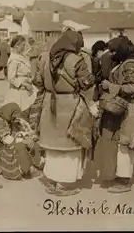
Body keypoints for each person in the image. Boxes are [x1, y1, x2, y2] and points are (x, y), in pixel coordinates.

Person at [34, 29, 96, 196]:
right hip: (70, 105)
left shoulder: (44, 57)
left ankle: (52, 181)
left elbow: (37, 81)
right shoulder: (76, 60)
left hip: (49, 104)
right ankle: (63, 185)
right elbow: (86, 84)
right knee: (69, 145)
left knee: (53, 145)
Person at [95, 36, 134, 193]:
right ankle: (120, 176)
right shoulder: (125, 62)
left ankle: (124, 180)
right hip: (125, 109)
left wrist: (110, 86)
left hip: (131, 109)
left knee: (125, 144)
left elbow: (132, 88)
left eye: (114, 51)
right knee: (121, 143)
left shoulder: (130, 64)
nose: (111, 54)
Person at [0, 103, 43, 180]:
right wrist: (24, 140)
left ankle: (34, 166)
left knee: (30, 142)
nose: (14, 118)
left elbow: (16, 133)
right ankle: (27, 169)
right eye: (14, 115)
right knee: (20, 146)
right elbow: (7, 140)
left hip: (4, 147)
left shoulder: (6, 119)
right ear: (10, 112)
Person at [5, 35, 37, 114]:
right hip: (19, 91)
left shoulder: (21, 56)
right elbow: (11, 78)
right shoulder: (14, 59)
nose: (24, 47)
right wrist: (24, 85)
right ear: (17, 45)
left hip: (26, 88)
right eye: (23, 45)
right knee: (20, 112)